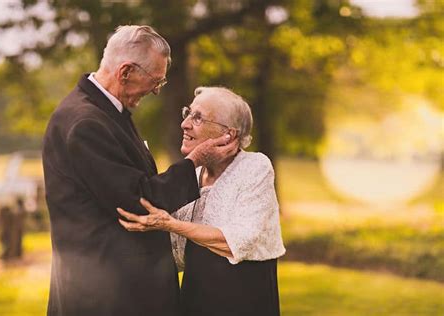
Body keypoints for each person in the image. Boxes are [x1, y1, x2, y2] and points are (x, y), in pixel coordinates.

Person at [42, 26, 238, 316]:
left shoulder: (106, 112)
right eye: (155, 81)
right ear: (126, 72)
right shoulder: (85, 124)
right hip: (107, 295)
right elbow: (138, 202)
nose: (158, 90)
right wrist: (196, 160)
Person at [118, 86, 286, 316]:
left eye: (198, 117)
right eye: (187, 113)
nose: (185, 124)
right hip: (195, 300)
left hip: (244, 301)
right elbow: (170, 246)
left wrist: (171, 224)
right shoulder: (193, 176)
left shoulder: (255, 167)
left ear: (229, 134)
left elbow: (238, 242)